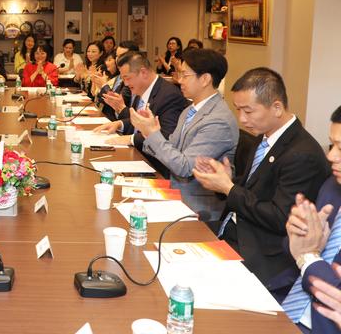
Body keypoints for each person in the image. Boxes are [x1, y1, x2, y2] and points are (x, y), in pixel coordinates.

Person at [192, 68, 329, 284]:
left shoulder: (302, 154)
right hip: (233, 228)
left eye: (248, 111)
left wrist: (228, 187)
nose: (242, 119)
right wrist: (226, 180)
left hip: (260, 249)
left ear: (277, 107)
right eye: (238, 110)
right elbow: (256, 189)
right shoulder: (265, 136)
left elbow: (279, 218)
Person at [128, 49, 238, 220]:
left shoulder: (218, 121)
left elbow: (185, 167)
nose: (179, 80)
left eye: (185, 75)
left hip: (196, 208)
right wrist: (150, 131)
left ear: (205, 79)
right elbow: (171, 148)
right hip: (173, 192)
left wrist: (152, 133)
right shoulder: (190, 110)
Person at [271, 105, 341, 332]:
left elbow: (335, 294)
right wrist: (299, 233)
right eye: (332, 145)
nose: (331, 156)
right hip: (286, 304)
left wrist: (308, 256)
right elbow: (293, 251)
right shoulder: (332, 186)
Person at [94, 52, 187, 151]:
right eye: (123, 79)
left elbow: (166, 135)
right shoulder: (141, 88)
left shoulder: (169, 95)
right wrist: (120, 124)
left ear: (143, 73)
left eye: (127, 78)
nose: (126, 83)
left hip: (150, 157)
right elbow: (140, 123)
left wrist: (131, 139)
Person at [96, 40, 138, 120]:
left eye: (122, 56)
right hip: (109, 119)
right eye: (117, 56)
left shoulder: (132, 78)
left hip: (122, 121)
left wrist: (104, 85)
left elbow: (117, 101)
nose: (118, 59)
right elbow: (102, 99)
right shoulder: (119, 76)